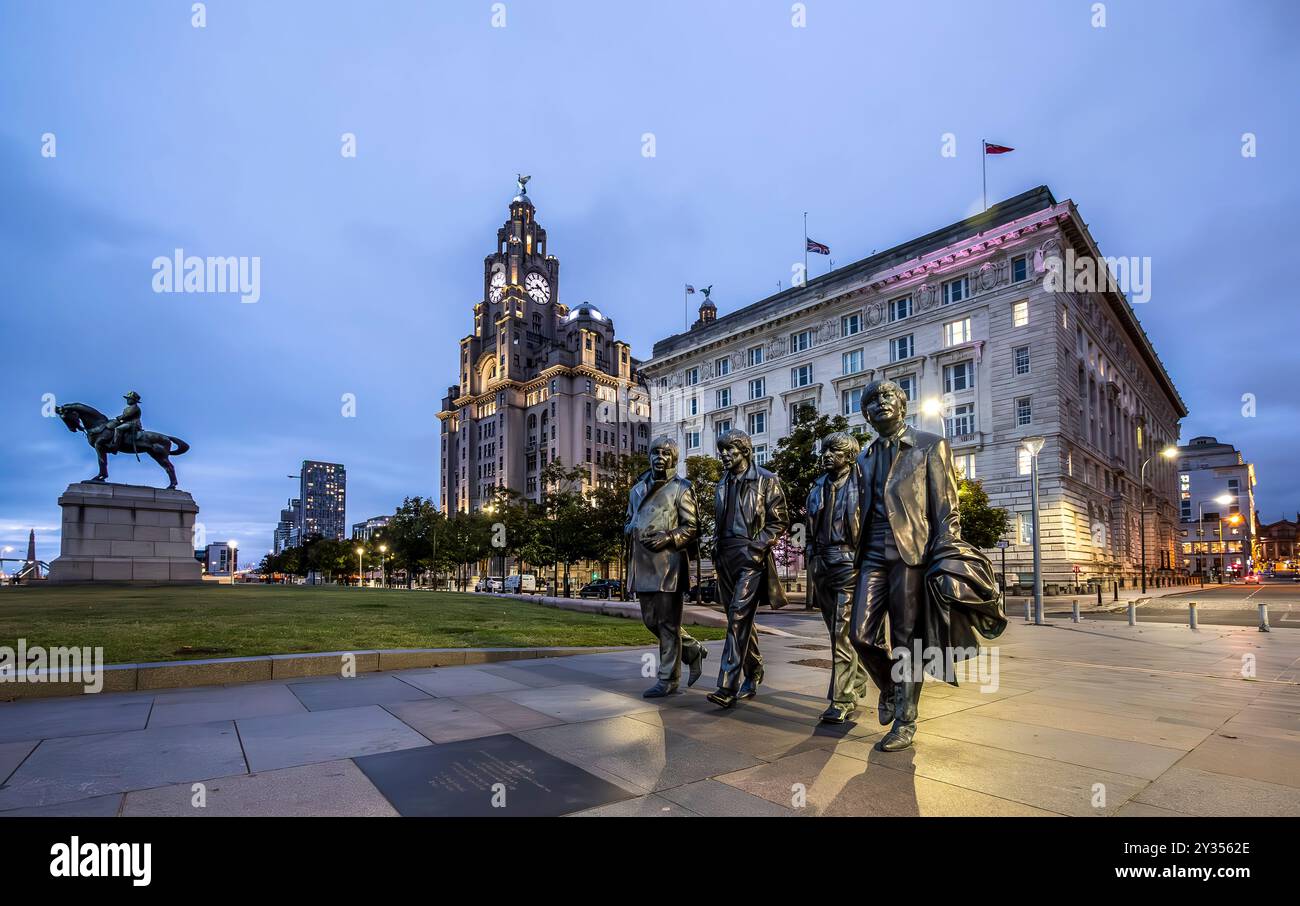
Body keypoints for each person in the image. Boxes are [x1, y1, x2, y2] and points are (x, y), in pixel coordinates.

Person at [850, 379, 958, 751]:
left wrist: (945, 554)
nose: (880, 403)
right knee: (860, 635)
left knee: (906, 639)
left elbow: (946, 509)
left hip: (912, 551)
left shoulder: (930, 445)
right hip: (872, 553)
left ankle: (905, 720)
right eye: (872, 401)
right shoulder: (863, 457)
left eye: (887, 397)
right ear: (865, 413)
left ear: (902, 404)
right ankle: (892, 688)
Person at [707, 428, 788, 709]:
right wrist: (714, 545)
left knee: (739, 615)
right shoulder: (722, 483)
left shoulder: (766, 479)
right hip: (725, 556)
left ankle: (726, 685)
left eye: (730, 450)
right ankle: (753, 670)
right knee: (736, 619)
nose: (725, 456)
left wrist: (757, 547)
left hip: (750, 556)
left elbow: (778, 521)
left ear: (745, 451)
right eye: (722, 451)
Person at [624, 436, 708, 697]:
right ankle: (693, 650)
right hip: (642, 561)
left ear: (674, 458)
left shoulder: (682, 487)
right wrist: (632, 529)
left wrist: (668, 537)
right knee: (651, 621)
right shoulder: (636, 489)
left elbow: (692, 527)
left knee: (668, 623)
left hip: (668, 563)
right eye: (655, 452)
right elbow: (629, 519)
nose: (659, 457)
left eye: (665, 453)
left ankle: (668, 678)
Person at [805, 431, 871, 723]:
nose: (827, 455)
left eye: (834, 451)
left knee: (841, 631)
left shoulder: (863, 484)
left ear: (849, 456)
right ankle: (857, 677)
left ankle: (841, 699)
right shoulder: (817, 486)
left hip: (849, 563)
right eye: (825, 450)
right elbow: (809, 527)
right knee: (835, 631)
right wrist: (810, 554)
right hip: (821, 563)